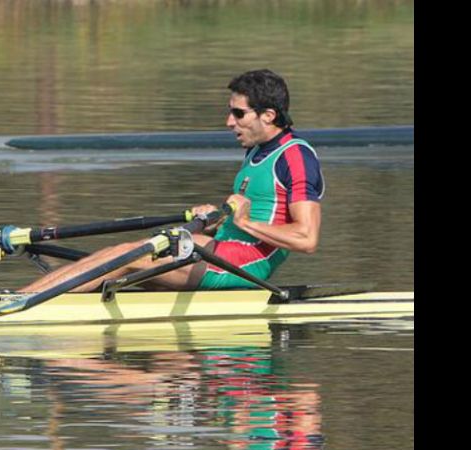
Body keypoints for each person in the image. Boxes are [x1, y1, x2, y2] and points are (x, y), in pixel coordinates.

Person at [20, 69, 324, 294]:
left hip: (246, 263)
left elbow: (307, 238)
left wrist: (243, 224)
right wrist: (217, 221)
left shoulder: (295, 156)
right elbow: (257, 212)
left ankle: (18, 303)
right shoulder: (256, 151)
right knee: (116, 259)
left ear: (268, 115)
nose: (229, 121)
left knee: (127, 255)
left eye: (238, 113)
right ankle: (20, 299)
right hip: (222, 249)